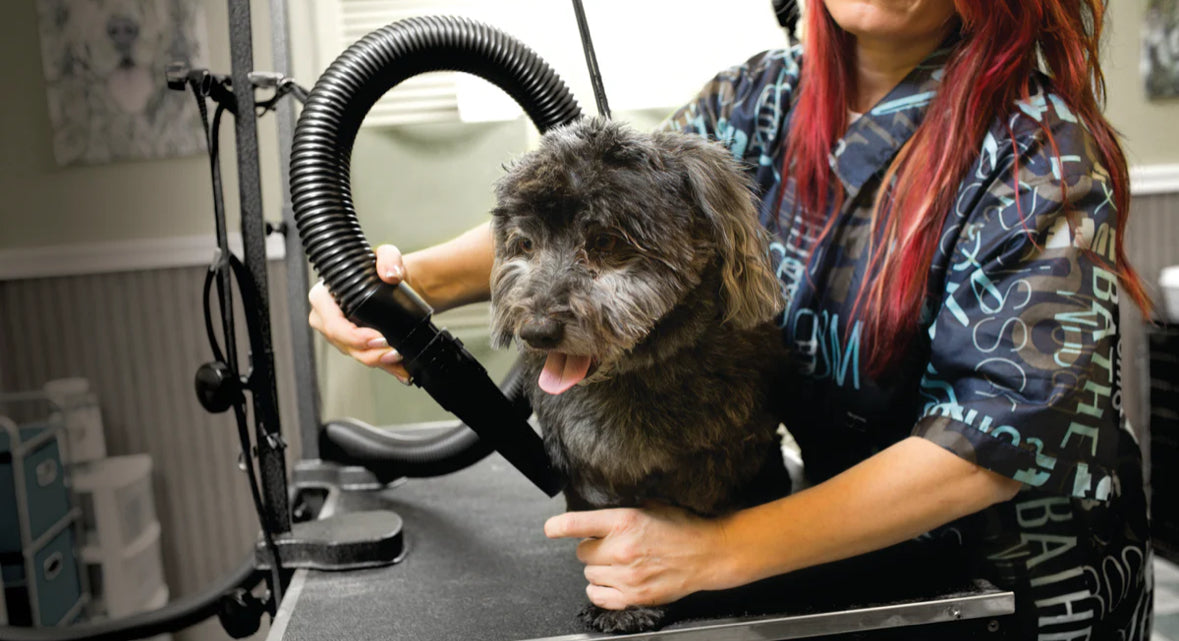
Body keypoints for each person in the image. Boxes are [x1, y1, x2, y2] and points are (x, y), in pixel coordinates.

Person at [308, 0, 1154, 637]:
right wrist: (401, 285)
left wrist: (719, 549)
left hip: (1014, 583)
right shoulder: (760, 96)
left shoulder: (1036, 152)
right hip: (841, 549)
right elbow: (597, 211)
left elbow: (996, 437)